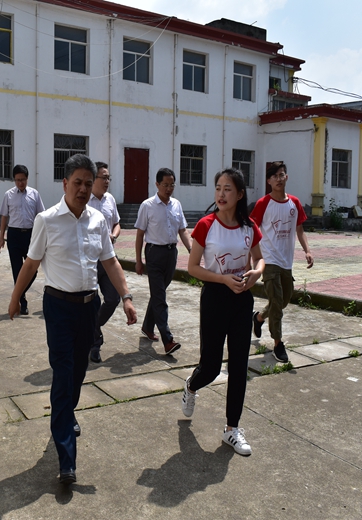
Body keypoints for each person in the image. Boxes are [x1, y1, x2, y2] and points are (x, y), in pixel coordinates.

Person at [8, 154, 137, 486]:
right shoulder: (47, 220)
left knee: (78, 372)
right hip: (58, 307)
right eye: (77, 182)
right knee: (63, 373)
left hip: (88, 308)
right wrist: (15, 297)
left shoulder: (98, 220)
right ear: (65, 184)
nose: (82, 189)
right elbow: (30, 264)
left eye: (87, 183)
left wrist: (126, 297)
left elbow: (110, 262)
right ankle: (67, 458)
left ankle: (66, 414)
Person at [182, 168, 265, 456]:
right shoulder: (206, 225)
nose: (221, 194)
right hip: (215, 298)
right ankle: (191, 386)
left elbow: (260, 259)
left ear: (240, 194)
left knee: (239, 366)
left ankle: (232, 429)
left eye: (227, 189)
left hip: (242, 299)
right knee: (211, 367)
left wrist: (256, 273)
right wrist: (222, 279)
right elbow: (193, 268)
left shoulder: (249, 227)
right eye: (218, 188)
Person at [250, 161, 314, 362]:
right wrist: (252, 257)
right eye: (274, 176)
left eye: (281, 175)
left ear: (287, 177)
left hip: (287, 261)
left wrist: (307, 251)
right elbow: (252, 230)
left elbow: (300, 229)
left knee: (283, 301)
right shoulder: (263, 203)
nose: (278, 179)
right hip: (269, 260)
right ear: (269, 181)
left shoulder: (294, 202)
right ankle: (278, 343)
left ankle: (258, 317)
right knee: (277, 302)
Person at [134, 168, 192, 355]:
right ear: (157, 184)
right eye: (165, 185)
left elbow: (183, 230)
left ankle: (147, 326)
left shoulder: (176, 205)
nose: (169, 189)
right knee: (160, 297)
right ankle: (168, 340)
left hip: (171, 254)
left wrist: (191, 249)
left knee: (158, 293)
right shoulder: (147, 205)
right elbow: (140, 234)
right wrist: (138, 260)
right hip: (154, 254)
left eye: (172, 185)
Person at [0, 164, 45, 316]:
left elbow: (41, 216)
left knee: (33, 270)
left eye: (23, 179)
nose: (20, 183)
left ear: (27, 178)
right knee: (17, 271)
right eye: (18, 180)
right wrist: (1, 238)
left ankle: (16, 295)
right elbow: (4, 217)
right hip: (14, 235)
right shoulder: (8, 195)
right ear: (14, 180)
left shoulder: (35, 194)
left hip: (30, 235)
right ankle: (22, 303)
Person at [86, 162, 121, 363]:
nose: (107, 181)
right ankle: (95, 345)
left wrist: (114, 235)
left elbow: (116, 223)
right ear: (94, 179)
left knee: (113, 299)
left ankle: (91, 330)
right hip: (90, 260)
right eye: (104, 177)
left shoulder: (110, 200)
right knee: (92, 303)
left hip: (108, 259)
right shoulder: (85, 200)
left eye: (108, 178)